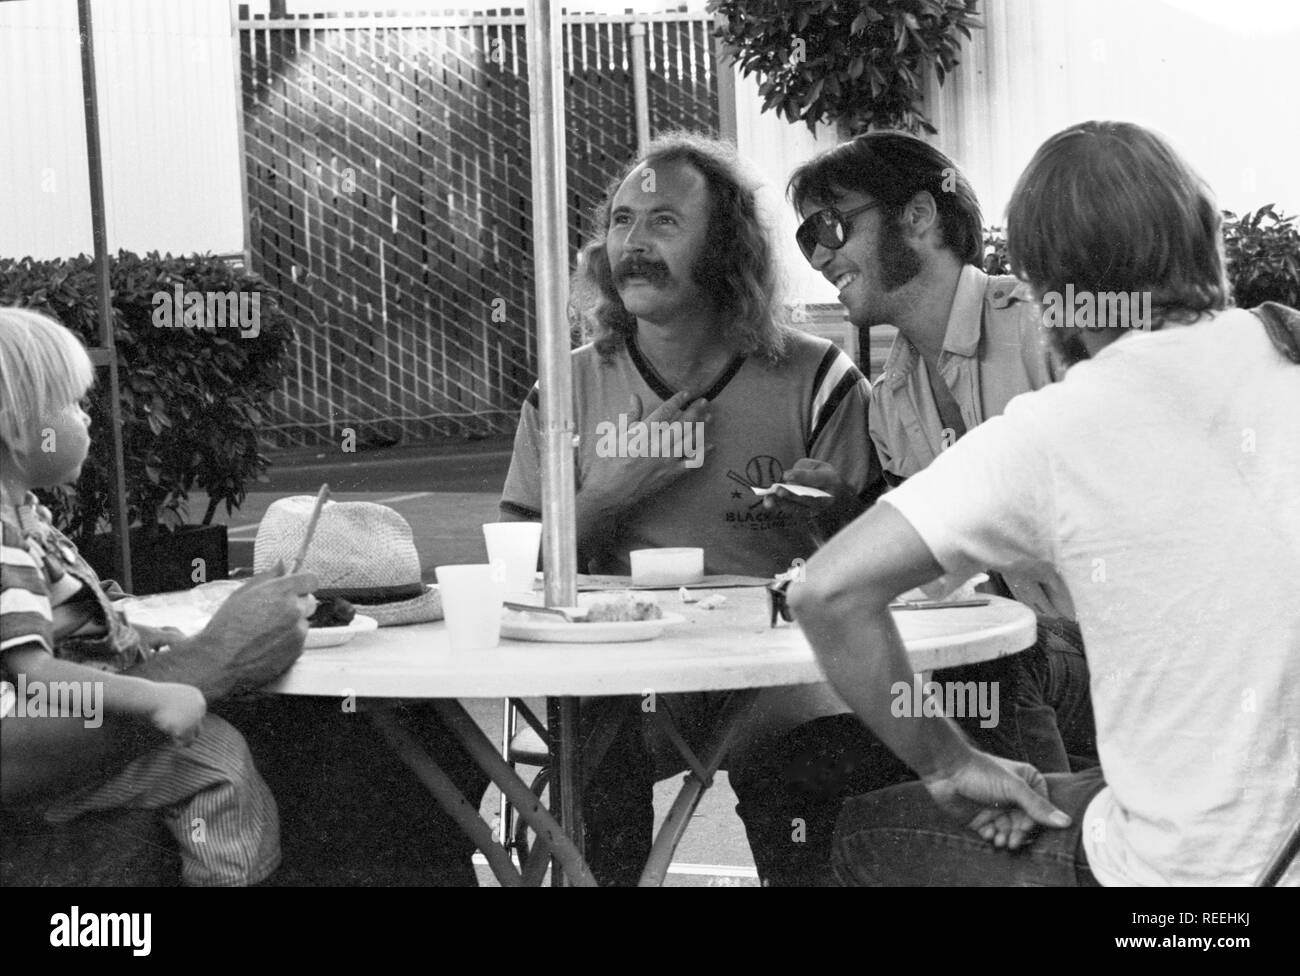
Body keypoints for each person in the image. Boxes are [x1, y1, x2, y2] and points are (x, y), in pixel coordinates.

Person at [790, 120, 1300, 885]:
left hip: (1182, 880)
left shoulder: (1062, 415)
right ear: (1206, 240)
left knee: (867, 831)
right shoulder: (1282, 352)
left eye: (832, 227)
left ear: (1040, 281)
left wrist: (949, 766)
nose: (823, 253)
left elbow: (827, 593)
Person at [499, 132, 883, 884]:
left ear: (726, 246)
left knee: (812, 772)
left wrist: (834, 517)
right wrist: (610, 494)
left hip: (781, 675)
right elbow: (513, 578)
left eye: (664, 222)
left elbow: (886, 569)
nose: (633, 243)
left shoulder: (819, 379)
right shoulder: (564, 393)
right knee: (595, 759)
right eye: (620, 221)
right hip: (626, 686)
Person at [0, 307, 309, 885]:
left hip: (73, 727)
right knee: (221, 762)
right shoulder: (6, 542)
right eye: (70, 404)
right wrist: (156, 695)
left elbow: (70, 624)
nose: (87, 419)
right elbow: (30, 672)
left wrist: (143, 638)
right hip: (52, 744)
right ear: (18, 428)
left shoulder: (29, 522)